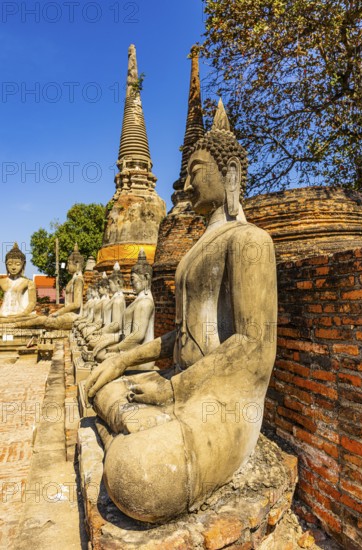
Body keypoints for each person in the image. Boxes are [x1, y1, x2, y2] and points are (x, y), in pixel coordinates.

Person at [85, 100, 277, 523]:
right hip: (183, 382)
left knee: (139, 479)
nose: (187, 185)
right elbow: (183, 336)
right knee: (102, 384)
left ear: (230, 175)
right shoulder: (197, 249)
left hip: (224, 400)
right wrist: (122, 359)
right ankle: (130, 428)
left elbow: (254, 346)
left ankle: (128, 434)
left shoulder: (250, 241)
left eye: (193, 173)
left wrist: (173, 392)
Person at [17, 244, 84, 330]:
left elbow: (77, 304)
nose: (67, 267)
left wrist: (58, 312)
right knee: (36, 318)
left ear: (77, 263)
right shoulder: (72, 280)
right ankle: (16, 325)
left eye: (69, 263)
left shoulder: (78, 280)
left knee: (43, 320)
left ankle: (15, 326)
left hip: (74, 317)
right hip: (67, 315)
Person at [0, 243, 36, 320]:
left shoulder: (28, 283)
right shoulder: (1, 282)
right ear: (6, 265)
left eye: (17, 264)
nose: (13, 267)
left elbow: (32, 303)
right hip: (3, 314)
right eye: (10, 264)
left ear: (23, 265)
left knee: (36, 319)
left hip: (20, 315)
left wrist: (23, 314)